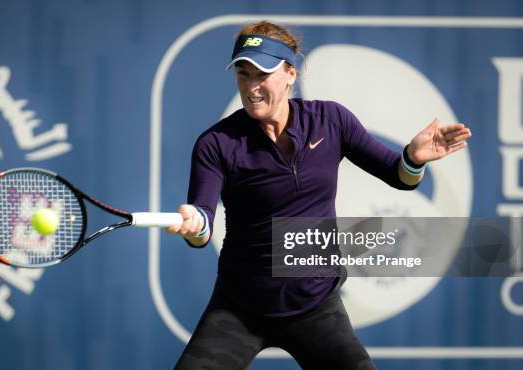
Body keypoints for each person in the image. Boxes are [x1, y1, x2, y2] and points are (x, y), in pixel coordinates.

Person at [167, 21, 472, 370]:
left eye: (262, 73)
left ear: (290, 74)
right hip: (239, 307)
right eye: (243, 73)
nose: (251, 86)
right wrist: (196, 227)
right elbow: (202, 219)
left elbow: (398, 176)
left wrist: (413, 158)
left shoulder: (331, 120)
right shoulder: (216, 143)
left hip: (315, 305)